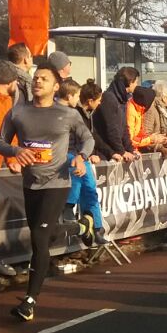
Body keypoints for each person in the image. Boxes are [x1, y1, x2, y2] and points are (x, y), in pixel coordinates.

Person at [0, 63, 94, 322]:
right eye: (36, 78)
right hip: (31, 184)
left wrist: (82, 157)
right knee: (44, 237)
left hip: (58, 183)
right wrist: (16, 152)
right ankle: (81, 227)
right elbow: (0, 142)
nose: (37, 82)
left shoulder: (68, 114)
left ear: (56, 86)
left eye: (44, 79)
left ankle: (29, 301)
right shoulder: (18, 113)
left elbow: (88, 138)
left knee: (39, 240)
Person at [57, 79, 107, 246]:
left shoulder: (77, 113)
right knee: (77, 172)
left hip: (79, 154)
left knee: (91, 189)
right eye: (76, 95)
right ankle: (69, 206)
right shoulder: (61, 112)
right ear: (70, 95)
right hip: (65, 154)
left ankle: (97, 228)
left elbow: (88, 137)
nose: (78, 99)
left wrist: (86, 154)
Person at [94, 66, 139, 156]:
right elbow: (111, 129)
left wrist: (131, 149)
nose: (136, 85)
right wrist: (121, 151)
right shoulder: (109, 98)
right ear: (130, 82)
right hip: (106, 154)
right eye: (136, 82)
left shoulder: (123, 99)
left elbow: (124, 127)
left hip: (116, 152)